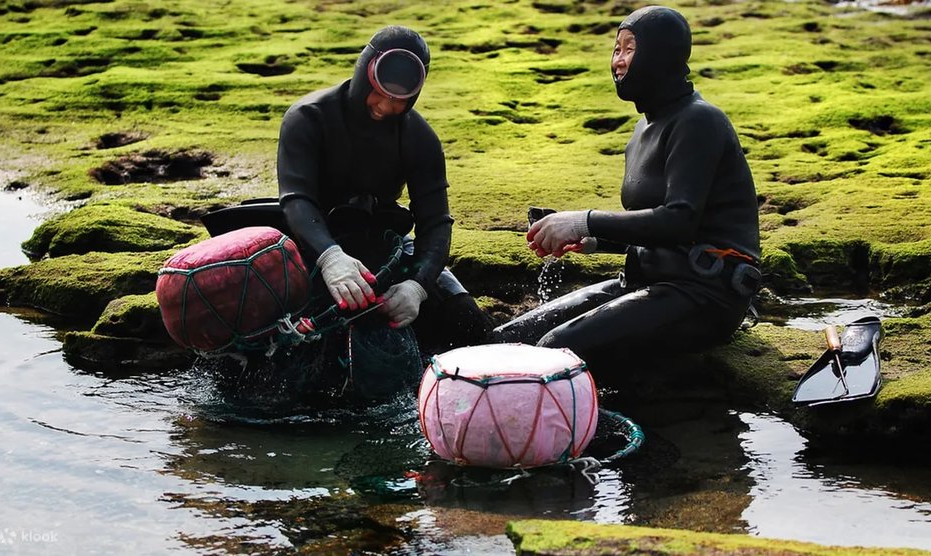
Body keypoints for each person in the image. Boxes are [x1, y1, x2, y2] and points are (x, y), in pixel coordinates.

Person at [494, 6, 761, 366]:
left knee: (555, 349)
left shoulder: (699, 121)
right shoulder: (643, 130)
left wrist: (584, 220)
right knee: (507, 339)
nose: (618, 61)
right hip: (645, 283)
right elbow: (653, 229)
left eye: (629, 49)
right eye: (616, 49)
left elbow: (679, 221)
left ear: (660, 53)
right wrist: (591, 241)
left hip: (705, 297)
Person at [277, 25, 492, 353]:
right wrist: (330, 257)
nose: (383, 106)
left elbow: (435, 224)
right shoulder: (308, 118)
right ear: (364, 74)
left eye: (398, 101)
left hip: (382, 240)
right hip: (310, 239)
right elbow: (296, 199)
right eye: (378, 92)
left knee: (468, 322)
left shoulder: (419, 139)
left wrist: (417, 287)